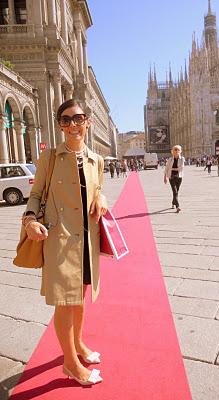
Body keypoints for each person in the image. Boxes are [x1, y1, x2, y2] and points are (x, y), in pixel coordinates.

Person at [22, 99, 108, 385]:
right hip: (59, 239)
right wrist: (30, 219)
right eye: (66, 120)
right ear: (60, 125)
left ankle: (79, 344)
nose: (73, 125)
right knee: (65, 302)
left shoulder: (97, 160)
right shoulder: (50, 157)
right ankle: (70, 363)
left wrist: (102, 198)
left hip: (87, 240)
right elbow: (36, 194)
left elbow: (98, 190)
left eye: (78, 118)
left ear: (88, 122)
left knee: (80, 296)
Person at [164, 145, 185, 213]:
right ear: (172, 152)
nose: (176, 152)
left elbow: (181, 168)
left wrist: (172, 168)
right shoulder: (170, 159)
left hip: (179, 177)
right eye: (175, 150)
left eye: (178, 150)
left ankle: (173, 202)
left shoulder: (182, 159)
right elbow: (166, 168)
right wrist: (165, 177)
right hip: (171, 176)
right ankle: (178, 206)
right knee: (175, 191)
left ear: (180, 151)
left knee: (176, 192)